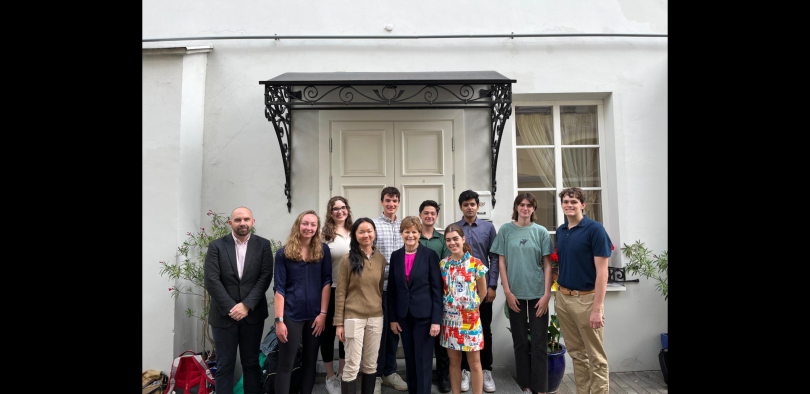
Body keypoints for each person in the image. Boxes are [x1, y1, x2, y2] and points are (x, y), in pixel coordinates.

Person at [204, 207, 275, 394]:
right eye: (237, 220)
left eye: (246, 219)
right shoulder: (216, 246)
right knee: (224, 364)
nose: (242, 223)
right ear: (230, 223)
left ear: (253, 221)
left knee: (251, 364)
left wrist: (246, 306)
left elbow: (265, 277)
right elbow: (211, 280)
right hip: (223, 316)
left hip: (252, 315)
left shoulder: (263, 245)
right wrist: (231, 308)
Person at [490, 193, 553, 394]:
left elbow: (547, 265)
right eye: (521, 205)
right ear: (516, 207)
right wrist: (506, 291)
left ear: (534, 209)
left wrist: (547, 294)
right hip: (514, 294)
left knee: (539, 343)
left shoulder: (541, 231)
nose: (525, 208)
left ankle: (540, 388)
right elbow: (501, 262)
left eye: (529, 205)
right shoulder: (506, 231)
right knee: (519, 341)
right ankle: (525, 385)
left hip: (537, 294)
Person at [554, 187, 612, 394]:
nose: (569, 205)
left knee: (595, 357)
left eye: (574, 201)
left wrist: (597, 309)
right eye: (566, 201)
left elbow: (602, 273)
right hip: (563, 299)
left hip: (587, 300)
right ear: (561, 205)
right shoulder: (561, 231)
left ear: (583, 205)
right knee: (577, 354)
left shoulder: (595, 230)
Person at [273, 210, 332, 394]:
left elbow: (326, 282)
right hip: (291, 315)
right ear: (298, 225)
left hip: (315, 316)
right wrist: (279, 320)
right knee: (286, 364)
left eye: (313, 224)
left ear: (317, 228)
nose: (309, 228)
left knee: (310, 362)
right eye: (305, 223)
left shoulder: (323, 250)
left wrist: (323, 314)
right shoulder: (283, 253)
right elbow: (279, 289)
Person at [387, 216, 444, 394]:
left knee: (424, 360)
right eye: (406, 231)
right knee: (410, 360)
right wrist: (393, 319)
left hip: (425, 317)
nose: (410, 235)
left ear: (419, 233)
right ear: (401, 233)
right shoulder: (396, 256)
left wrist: (436, 320)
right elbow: (392, 290)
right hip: (403, 317)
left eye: (414, 232)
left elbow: (437, 290)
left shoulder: (429, 255)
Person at [333, 217, 386, 394]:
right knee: (352, 365)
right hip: (353, 318)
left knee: (371, 364)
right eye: (361, 231)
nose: (366, 235)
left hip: (376, 317)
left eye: (369, 231)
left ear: (374, 233)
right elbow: (340, 293)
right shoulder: (347, 260)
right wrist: (339, 323)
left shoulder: (381, 259)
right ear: (355, 235)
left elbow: (379, 288)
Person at [452, 190, 498, 393]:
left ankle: (486, 369)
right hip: (460, 293)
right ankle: (465, 371)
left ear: (478, 206)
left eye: (472, 204)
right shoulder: (455, 229)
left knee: (484, 330)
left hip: (481, 290)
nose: (469, 207)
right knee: (461, 331)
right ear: (461, 207)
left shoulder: (488, 228)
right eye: (465, 204)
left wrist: (492, 286)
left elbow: (494, 257)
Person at [439, 224, 488, 394]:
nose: (452, 243)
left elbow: (483, 292)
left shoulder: (475, 263)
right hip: (449, 320)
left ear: (463, 239)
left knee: (474, 363)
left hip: (470, 320)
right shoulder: (443, 265)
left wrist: (471, 308)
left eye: (455, 238)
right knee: (454, 362)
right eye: (448, 240)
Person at [372, 187, 408, 393]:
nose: (391, 204)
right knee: (379, 332)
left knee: (395, 332)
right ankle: (375, 374)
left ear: (399, 202)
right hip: (380, 289)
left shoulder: (404, 226)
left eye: (395, 201)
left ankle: (389, 372)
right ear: (382, 202)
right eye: (388, 200)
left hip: (401, 289)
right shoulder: (374, 225)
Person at [416, 200, 451, 393]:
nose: (429, 216)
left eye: (433, 213)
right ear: (420, 214)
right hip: (419, 293)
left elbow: (446, 264)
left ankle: (443, 375)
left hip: (439, 292)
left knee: (441, 337)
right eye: (426, 213)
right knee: (424, 337)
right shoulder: (415, 237)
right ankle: (424, 375)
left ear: (436, 216)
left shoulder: (442, 239)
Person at [321, 196, 353, 394]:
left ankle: (341, 374)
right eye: (335, 208)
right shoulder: (324, 235)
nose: (339, 211)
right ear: (330, 212)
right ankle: (330, 376)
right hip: (330, 289)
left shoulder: (355, 231)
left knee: (345, 334)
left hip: (351, 291)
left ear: (347, 210)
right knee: (328, 335)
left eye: (343, 207)